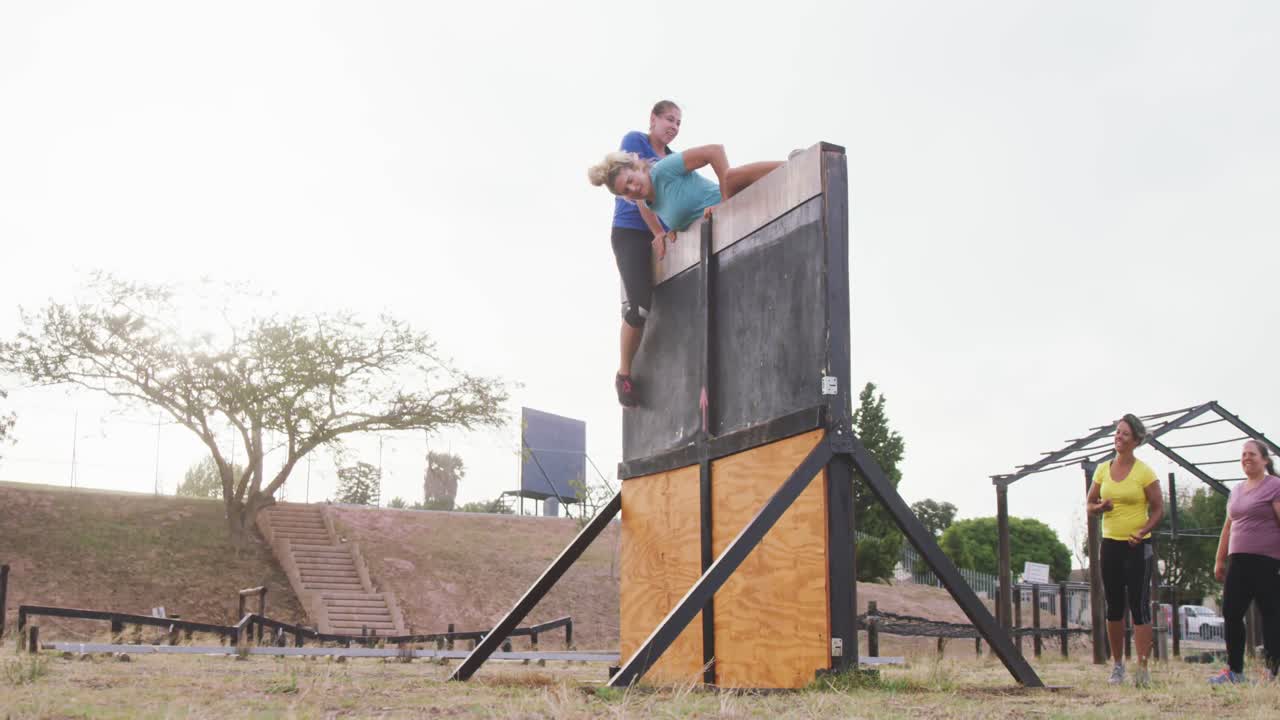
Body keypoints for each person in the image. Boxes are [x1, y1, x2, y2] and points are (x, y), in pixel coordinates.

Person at [605, 100, 681, 407]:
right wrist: (657, 232)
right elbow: (636, 193)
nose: (673, 127)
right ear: (653, 119)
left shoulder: (675, 159)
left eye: (678, 123)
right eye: (669, 120)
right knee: (639, 310)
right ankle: (624, 374)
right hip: (631, 232)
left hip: (661, 234)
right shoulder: (634, 141)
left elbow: (674, 200)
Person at [1086, 413, 1164, 687]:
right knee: (1114, 606)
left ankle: (1142, 668)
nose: (1119, 437)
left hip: (1138, 545)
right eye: (1117, 432)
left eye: (1125, 434)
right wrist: (1100, 508)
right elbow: (1090, 504)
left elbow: (1158, 509)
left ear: (1136, 440)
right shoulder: (1102, 469)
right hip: (1110, 545)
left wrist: (1142, 531)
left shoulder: (1145, 472)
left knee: (1139, 606)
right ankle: (1117, 666)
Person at [1208, 439, 1280, 685]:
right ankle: (1235, 671)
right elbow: (1228, 526)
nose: (1246, 458)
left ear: (1265, 460)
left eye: (1251, 454)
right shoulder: (1236, 490)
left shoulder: (1275, 486)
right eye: (1243, 455)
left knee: (1270, 615)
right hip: (1237, 561)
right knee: (1231, 613)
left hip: (1266, 561)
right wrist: (1219, 559)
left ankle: (1270, 672)